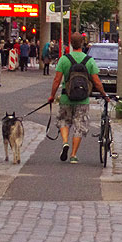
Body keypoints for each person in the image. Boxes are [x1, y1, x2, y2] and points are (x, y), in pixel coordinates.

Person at [47, 32, 109, 164]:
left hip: (66, 97)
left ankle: (65, 142)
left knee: (64, 121)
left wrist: (52, 96)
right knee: (79, 126)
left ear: (71, 43)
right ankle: (73, 155)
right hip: (83, 99)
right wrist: (104, 95)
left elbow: (57, 80)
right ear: (82, 43)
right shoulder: (89, 60)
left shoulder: (64, 59)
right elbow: (97, 82)